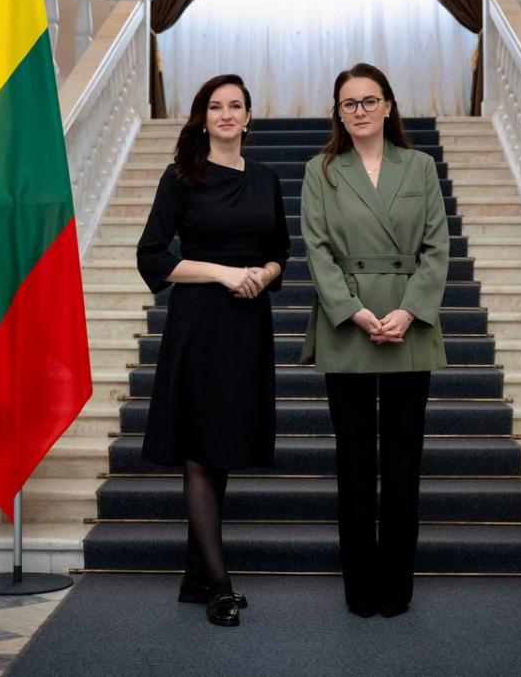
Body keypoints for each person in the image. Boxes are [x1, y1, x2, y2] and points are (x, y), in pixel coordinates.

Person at [136, 74, 289, 628]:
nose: (226, 114)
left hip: (247, 324)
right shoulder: (182, 176)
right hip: (199, 323)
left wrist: (263, 274)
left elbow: (280, 250)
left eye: (236, 106)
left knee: (222, 445)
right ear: (203, 117)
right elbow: (153, 256)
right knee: (200, 450)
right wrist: (225, 274)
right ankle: (219, 587)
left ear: (249, 117)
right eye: (216, 106)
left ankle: (195, 576)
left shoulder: (266, 178)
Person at [300, 62, 449, 618]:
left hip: (410, 324)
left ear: (388, 106)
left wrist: (408, 311)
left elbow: (436, 247)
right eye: (349, 103)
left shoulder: (421, 166)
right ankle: (360, 586)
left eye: (369, 100)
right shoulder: (321, 170)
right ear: (338, 114)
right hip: (350, 325)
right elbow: (317, 249)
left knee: (405, 459)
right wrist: (356, 312)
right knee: (355, 460)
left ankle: (397, 586)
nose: (359, 111)